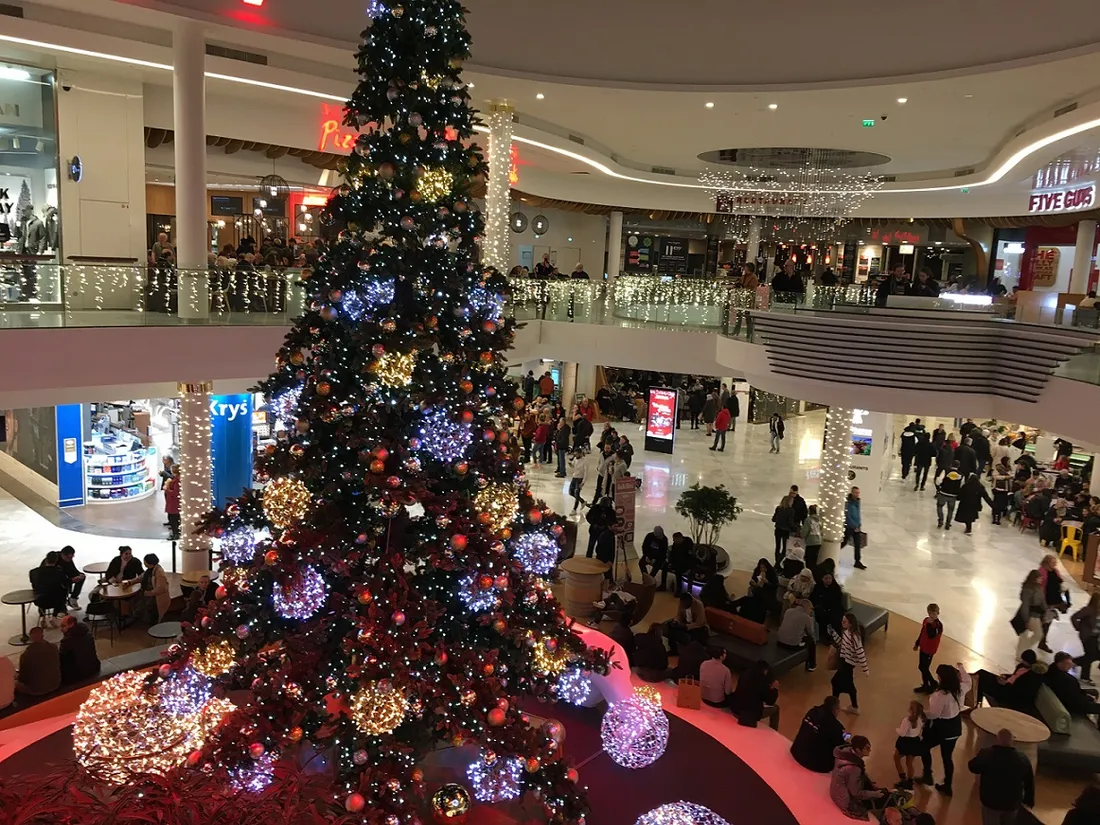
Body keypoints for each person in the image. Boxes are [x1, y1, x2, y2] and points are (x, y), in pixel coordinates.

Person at [919, 662, 971, 796]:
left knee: (924, 747)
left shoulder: (940, 696)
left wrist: (922, 713)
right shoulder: (960, 688)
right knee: (947, 757)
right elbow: (968, 680)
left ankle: (927, 775)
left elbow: (934, 714)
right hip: (955, 727)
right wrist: (961, 667)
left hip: (941, 728)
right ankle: (948, 786)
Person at [968, 728, 1035, 825]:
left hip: (991, 801)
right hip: (1012, 803)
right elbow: (1029, 781)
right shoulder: (1022, 759)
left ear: (997, 739)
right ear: (1012, 742)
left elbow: (973, 767)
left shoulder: (987, 754)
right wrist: (1029, 800)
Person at [830, 735, 887, 820]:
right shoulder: (853, 768)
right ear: (858, 750)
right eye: (867, 748)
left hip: (836, 789)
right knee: (883, 797)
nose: (870, 750)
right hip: (843, 799)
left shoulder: (844, 754)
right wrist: (875, 794)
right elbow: (856, 793)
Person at [791, 696, 848, 773]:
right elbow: (838, 745)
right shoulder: (835, 726)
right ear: (835, 709)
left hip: (797, 751)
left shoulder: (812, 712)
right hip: (815, 764)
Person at [971, 650, 1042, 710]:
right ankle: (975, 700)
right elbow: (1014, 676)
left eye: (1024, 661)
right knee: (981, 673)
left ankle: (974, 702)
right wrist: (1005, 676)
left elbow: (1019, 691)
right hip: (1006, 684)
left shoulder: (1032, 677)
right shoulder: (1021, 666)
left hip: (1007, 692)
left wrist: (1005, 684)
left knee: (982, 681)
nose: (1022, 662)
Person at [829, 612, 869, 714]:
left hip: (848, 664)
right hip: (844, 661)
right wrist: (833, 634)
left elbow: (860, 652)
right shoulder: (847, 632)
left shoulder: (855, 637)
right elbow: (842, 644)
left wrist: (865, 669)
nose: (842, 622)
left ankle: (834, 706)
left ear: (850, 623)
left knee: (836, 682)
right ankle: (851, 706)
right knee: (847, 685)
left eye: (845, 621)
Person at [729, 659, 780, 729]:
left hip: (735, 708)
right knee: (776, 708)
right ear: (765, 671)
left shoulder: (744, 674)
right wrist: (775, 689)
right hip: (748, 714)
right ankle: (774, 730)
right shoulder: (763, 682)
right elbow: (770, 702)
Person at [1046, 652, 1100, 716]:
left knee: (1094, 692)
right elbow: (1076, 700)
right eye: (1068, 664)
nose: (1071, 666)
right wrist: (1088, 698)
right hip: (1074, 706)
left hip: (1070, 696)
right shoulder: (1067, 680)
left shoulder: (1052, 670)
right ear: (1060, 663)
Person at [15, 627, 61, 696]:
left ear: (31, 638)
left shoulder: (26, 655)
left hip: (36, 690)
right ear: (42, 636)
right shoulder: (54, 647)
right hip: (55, 684)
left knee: (13, 683)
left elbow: (23, 678)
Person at [893, 700, 926, 789]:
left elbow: (902, 733)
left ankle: (902, 778)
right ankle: (910, 780)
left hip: (904, 742)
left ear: (911, 710)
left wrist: (897, 729)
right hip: (914, 742)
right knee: (909, 762)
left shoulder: (907, 720)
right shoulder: (921, 719)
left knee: (896, 757)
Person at [778, 598, 817, 671]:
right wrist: (811, 621)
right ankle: (812, 665)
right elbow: (811, 633)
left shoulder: (788, 611)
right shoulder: (806, 617)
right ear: (807, 607)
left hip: (780, 640)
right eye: (811, 609)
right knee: (811, 641)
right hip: (792, 644)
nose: (811, 611)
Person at [1040, 554, 1070, 652]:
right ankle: (1040, 640)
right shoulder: (1042, 572)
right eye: (1053, 562)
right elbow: (1041, 587)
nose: (1055, 564)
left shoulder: (1055, 571)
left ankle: (1042, 641)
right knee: (1043, 622)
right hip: (1045, 601)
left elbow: (1060, 582)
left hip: (1053, 601)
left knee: (1047, 622)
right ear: (1047, 562)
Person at [58, 614, 100, 683]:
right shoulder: (87, 633)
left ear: (71, 625)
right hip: (94, 667)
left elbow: (61, 658)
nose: (61, 629)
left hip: (79, 673)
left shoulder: (67, 641)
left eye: (63, 626)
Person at [1014, 570, 1046, 658]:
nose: (1041, 579)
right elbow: (1025, 605)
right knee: (1024, 635)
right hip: (1029, 615)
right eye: (1039, 578)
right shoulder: (1027, 590)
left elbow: (1042, 602)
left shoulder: (1039, 588)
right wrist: (1026, 620)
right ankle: (1020, 655)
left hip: (1036, 615)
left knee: (1038, 634)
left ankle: (1023, 650)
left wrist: (1045, 611)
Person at [29, 551, 69, 622]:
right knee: (63, 591)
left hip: (39, 600)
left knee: (42, 590)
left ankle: (42, 616)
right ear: (56, 561)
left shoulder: (33, 572)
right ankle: (54, 616)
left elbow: (33, 584)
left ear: (46, 559)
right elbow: (65, 584)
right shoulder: (59, 573)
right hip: (56, 601)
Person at [914, 603, 944, 694]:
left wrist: (929, 625)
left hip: (930, 650)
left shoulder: (938, 625)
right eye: (930, 613)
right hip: (923, 647)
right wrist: (917, 643)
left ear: (938, 613)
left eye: (934, 613)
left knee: (925, 667)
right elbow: (922, 632)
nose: (932, 615)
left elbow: (931, 635)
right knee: (921, 666)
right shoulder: (926, 621)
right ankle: (926, 685)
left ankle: (933, 684)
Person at [133, 553, 170, 626]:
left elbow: (160, 589)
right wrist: (130, 582)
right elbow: (140, 578)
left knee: (142, 603)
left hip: (156, 596)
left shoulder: (159, 572)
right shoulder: (149, 570)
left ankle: (150, 621)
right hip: (148, 592)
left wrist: (147, 593)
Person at [1073, 593, 1100, 685]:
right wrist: (1079, 628)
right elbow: (1074, 617)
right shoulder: (1088, 610)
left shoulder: (1098, 611)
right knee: (1091, 655)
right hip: (1088, 636)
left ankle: (1075, 663)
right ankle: (1082, 673)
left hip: (1095, 636)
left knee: (1092, 655)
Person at [813, 572, 845, 641]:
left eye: (829, 578)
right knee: (821, 616)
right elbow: (814, 598)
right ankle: (825, 637)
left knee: (834, 618)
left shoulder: (835, 588)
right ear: (822, 579)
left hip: (834, 608)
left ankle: (837, 638)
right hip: (822, 609)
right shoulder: (818, 587)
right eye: (826, 578)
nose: (828, 580)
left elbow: (837, 601)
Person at [935, 461, 963, 529]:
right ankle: (948, 524)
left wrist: (938, 487)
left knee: (939, 506)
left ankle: (940, 521)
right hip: (953, 495)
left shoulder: (946, 471)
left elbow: (939, 480)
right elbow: (962, 486)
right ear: (958, 466)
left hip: (943, 492)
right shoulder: (961, 475)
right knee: (950, 510)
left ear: (951, 464)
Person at [843, 487, 866, 570]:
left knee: (857, 544)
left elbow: (858, 513)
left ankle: (857, 561)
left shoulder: (858, 502)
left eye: (858, 493)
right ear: (852, 493)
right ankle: (834, 554)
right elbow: (848, 515)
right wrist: (854, 526)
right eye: (856, 492)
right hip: (849, 527)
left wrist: (859, 524)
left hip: (856, 527)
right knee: (844, 542)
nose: (857, 494)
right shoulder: (848, 503)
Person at [772, 495, 798, 564]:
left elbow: (773, 519)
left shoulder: (778, 508)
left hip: (778, 529)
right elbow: (790, 522)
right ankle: (777, 564)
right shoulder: (791, 511)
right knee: (784, 549)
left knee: (777, 547)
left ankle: (776, 562)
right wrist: (796, 529)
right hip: (785, 531)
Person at [669, 532, 695, 596]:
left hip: (687, 564)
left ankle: (689, 591)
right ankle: (679, 589)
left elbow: (691, 558)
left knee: (690, 573)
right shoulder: (675, 545)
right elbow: (672, 555)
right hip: (679, 564)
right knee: (677, 571)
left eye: (674, 539)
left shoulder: (688, 543)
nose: (673, 541)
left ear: (679, 538)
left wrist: (689, 567)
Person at [991, 456, 1014, 525]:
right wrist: (1005, 477)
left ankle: (999, 518)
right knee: (996, 504)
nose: (1009, 463)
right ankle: (994, 518)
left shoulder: (1009, 468)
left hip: (1006, 488)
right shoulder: (998, 468)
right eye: (1008, 461)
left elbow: (1012, 474)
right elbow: (995, 476)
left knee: (1002, 504)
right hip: (998, 488)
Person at [802, 505, 823, 570]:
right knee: (814, 559)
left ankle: (809, 572)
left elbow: (805, 531)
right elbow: (821, 530)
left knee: (808, 559)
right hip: (818, 541)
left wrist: (802, 536)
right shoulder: (820, 520)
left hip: (811, 541)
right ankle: (814, 571)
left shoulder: (808, 520)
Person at [164, 464, 181, 539]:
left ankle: (176, 534)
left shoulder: (177, 480)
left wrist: (167, 490)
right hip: (174, 502)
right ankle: (175, 533)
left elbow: (175, 493)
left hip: (174, 503)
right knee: (173, 518)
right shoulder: (176, 479)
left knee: (173, 518)